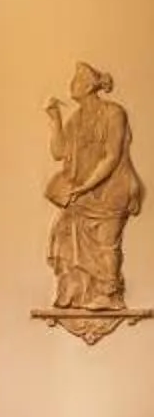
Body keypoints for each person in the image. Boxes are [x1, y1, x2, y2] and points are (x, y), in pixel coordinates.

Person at [46, 63, 143, 316]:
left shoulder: (114, 113)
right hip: (83, 193)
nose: (71, 84)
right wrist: (55, 118)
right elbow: (59, 152)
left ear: (89, 86)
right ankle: (75, 289)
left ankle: (109, 294)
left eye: (76, 80)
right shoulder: (76, 119)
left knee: (106, 243)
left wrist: (83, 187)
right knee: (64, 231)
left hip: (114, 189)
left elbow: (111, 157)